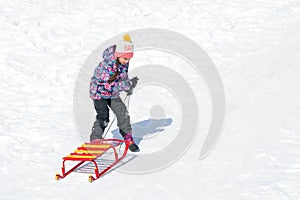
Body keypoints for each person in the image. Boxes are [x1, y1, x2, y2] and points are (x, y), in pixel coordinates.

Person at [89, 34, 139, 152]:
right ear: (118, 55)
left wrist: (128, 85)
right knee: (103, 117)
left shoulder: (122, 62)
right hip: (99, 93)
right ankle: (95, 140)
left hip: (112, 93)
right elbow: (108, 86)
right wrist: (126, 85)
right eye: (125, 58)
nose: (127, 61)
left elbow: (122, 77)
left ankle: (128, 137)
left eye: (129, 59)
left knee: (123, 113)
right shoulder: (107, 66)